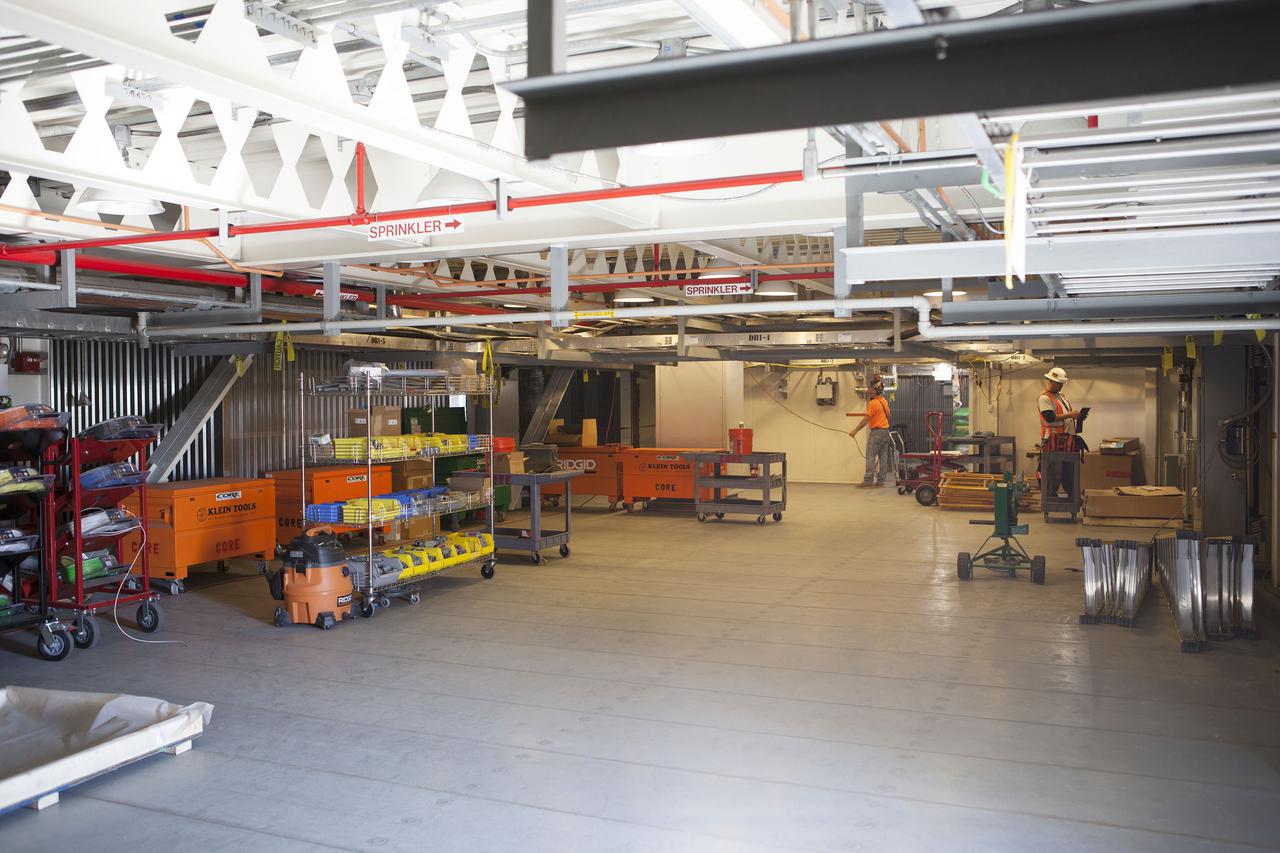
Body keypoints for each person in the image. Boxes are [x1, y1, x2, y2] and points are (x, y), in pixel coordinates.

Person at [1038, 366, 1084, 500]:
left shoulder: (1060, 397)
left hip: (1065, 440)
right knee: (1053, 472)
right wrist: (1070, 415)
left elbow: (1064, 415)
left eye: (1062, 384)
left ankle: (1072, 495)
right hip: (1052, 441)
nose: (1061, 387)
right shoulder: (1044, 398)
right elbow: (1049, 417)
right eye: (1059, 384)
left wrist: (1076, 416)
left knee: (1068, 470)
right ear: (1051, 381)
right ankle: (1050, 498)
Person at [850, 378, 893, 488]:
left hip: (877, 432)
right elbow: (888, 415)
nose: (868, 389)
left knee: (870, 456)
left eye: (870, 387)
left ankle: (868, 481)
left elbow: (865, 420)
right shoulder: (884, 401)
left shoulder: (873, 403)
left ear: (874, 390)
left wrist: (855, 431)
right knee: (883, 457)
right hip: (885, 431)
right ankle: (880, 481)